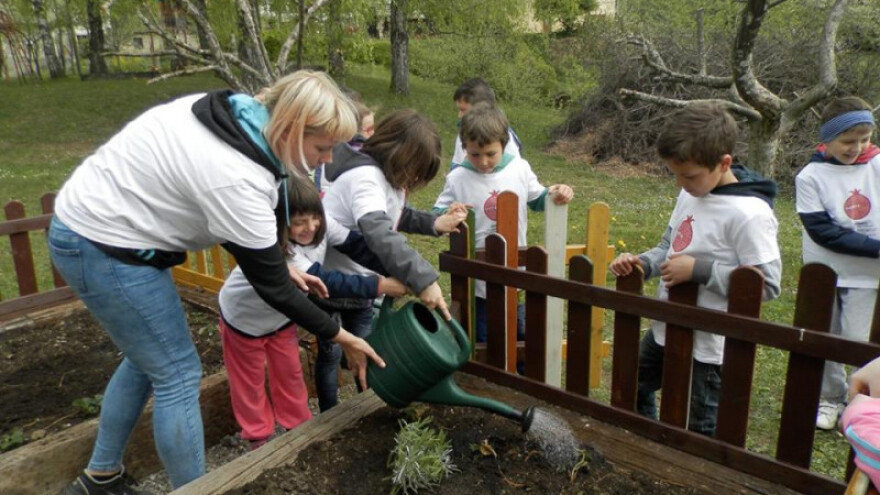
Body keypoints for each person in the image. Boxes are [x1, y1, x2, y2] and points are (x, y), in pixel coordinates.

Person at [48, 70, 386, 495]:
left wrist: (279, 268)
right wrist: (341, 336)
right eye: (321, 147)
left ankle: (100, 476)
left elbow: (245, 238)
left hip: (108, 231)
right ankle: (197, 489)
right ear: (292, 127)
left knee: (145, 360)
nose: (326, 159)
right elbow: (274, 289)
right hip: (100, 243)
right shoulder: (235, 172)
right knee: (177, 373)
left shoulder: (241, 120)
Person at [609, 102, 782, 437]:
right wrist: (642, 264)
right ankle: (646, 442)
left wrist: (700, 270)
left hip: (708, 346)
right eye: (674, 173)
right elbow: (669, 247)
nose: (679, 183)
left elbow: (768, 285)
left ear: (724, 163)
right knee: (631, 382)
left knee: (699, 426)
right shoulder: (691, 193)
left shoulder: (750, 214)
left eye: (687, 175)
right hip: (665, 328)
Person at [217, 177, 407, 450]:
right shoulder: (283, 252)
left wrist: (396, 267)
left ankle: (299, 426)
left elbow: (357, 246)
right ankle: (258, 437)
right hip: (243, 321)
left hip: (281, 320)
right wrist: (381, 284)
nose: (310, 227)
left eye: (314, 217)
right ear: (280, 223)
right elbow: (326, 282)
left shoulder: (324, 223)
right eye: (299, 222)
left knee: (290, 373)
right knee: (249, 380)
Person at [318, 108, 469, 411]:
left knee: (366, 349)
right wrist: (423, 278)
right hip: (333, 283)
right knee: (332, 352)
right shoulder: (366, 178)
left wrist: (433, 224)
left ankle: (362, 408)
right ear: (396, 154)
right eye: (412, 171)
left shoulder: (387, 179)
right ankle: (329, 412)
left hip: (365, 284)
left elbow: (395, 214)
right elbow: (378, 231)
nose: (412, 180)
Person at [433, 103, 574, 344]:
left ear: (504, 144)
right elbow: (436, 212)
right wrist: (448, 213)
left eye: (491, 154)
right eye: (475, 154)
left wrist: (557, 193)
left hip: (514, 264)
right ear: (464, 147)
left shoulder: (519, 169)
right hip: (475, 271)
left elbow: (538, 198)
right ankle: (488, 374)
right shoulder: (458, 177)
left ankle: (517, 369)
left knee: (516, 326)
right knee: (483, 331)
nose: (483, 161)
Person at [795, 96, 880, 430]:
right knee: (828, 339)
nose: (856, 147)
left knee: (856, 341)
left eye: (864, 139)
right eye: (847, 141)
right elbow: (823, 232)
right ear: (827, 139)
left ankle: (858, 403)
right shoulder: (810, 176)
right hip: (825, 272)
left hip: (866, 277)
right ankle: (829, 399)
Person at [450, 78, 522, 170]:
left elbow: (515, 170)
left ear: (482, 110)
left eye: (463, 110)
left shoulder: (500, 136)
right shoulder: (465, 132)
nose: (459, 115)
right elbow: (456, 165)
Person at [315, 99, 375, 193]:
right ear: (353, 131)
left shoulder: (365, 150)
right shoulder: (343, 153)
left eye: (373, 128)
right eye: (369, 129)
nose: (373, 133)